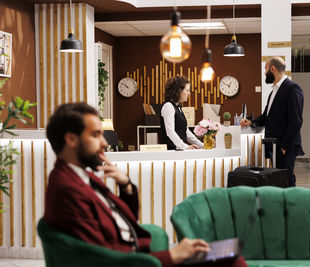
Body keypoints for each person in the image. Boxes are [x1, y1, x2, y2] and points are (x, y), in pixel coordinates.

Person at [44, 102, 246, 267]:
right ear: (71, 139)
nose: (104, 142)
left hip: (141, 257)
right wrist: (173, 255)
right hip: (137, 263)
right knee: (231, 257)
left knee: (229, 252)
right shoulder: (67, 190)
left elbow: (127, 221)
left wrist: (125, 185)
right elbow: (103, 256)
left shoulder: (84, 176)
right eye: (95, 135)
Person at [240, 57, 304, 186]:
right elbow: (266, 116)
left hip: (285, 146)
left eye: (265, 69)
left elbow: (296, 121)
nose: (264, 73)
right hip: (274, 146)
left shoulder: (292, 88)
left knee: (286, 179)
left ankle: (291, 204)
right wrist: (251, 122)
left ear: (272, 69)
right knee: (279, 180)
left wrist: (284, 147)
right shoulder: (273, 91)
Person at [160, 76, 203, 150]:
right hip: (172, 151)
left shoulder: (178, 108)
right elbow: (170, 131)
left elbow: (186, 131)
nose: (189, 93)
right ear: (178, 91)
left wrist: (202, 145)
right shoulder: (168, 106)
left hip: (180, 150)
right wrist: (185, 146)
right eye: (187, 90)